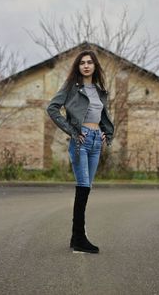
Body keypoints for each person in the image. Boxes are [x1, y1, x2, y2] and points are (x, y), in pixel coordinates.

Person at [47, 50, 114, 254]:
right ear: (78, 67)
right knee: (83, 187)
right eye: (82, 63)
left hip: (95, 142)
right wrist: (72, 131)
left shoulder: (100, 90)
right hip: (81, 140)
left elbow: (102, 116)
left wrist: (106, 134)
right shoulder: (71, 88)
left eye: (90, 62)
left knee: (87, 187)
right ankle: (79, 238)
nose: (86, 65)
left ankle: (76, 237)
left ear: (95, 66)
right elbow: (52, 108)